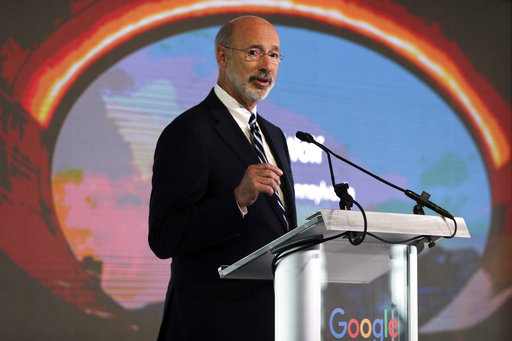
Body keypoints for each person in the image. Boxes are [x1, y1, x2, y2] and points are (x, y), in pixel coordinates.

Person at [148, 16, 297, 340]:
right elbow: (164, 237)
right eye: (254, 52)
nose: (266, 66)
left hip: (272, 322)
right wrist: (235, 201)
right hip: (211, 324)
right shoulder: (188, 132)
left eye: (273, 55)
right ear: (222, 56)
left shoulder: (275, 135)